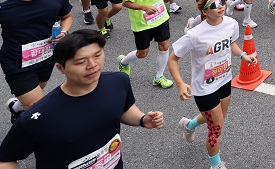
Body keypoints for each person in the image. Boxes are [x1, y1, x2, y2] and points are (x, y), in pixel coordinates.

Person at [0, 29, 165, 167]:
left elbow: (124, 108)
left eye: (97, 55)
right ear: (61, 68)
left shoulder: (118, 81)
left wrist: (142, 119)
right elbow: (6, 158)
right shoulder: (39, 116)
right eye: (80, 62)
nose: (92, 64)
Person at [170, 0, 256, 169]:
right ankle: (216, 165)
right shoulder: (195, 35)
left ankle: (189, 124)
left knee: (218, 119)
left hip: (224, 79)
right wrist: (180, 83)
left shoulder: (231, 24)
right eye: (214, 4)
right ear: (204, 11)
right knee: (216, 127)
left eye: (222, 1)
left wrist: (242, 55)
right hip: (204, 88)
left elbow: (231, 43)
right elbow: (173, 59)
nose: (221, 6)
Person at [0, 0, 72, 124]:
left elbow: (67, 16)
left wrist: (64, 33)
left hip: (46, 58)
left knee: (36, 92)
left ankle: (17, 107)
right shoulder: (4, 9)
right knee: (37, 105)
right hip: (16, 63)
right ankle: (31, 140)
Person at [118, 0, 179, 89]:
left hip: (160, 16)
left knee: (164, 45)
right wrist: (145, 7)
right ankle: (124, 62)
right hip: (143, 22)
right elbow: (126, 2)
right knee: (142, 53)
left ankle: (159, 76)